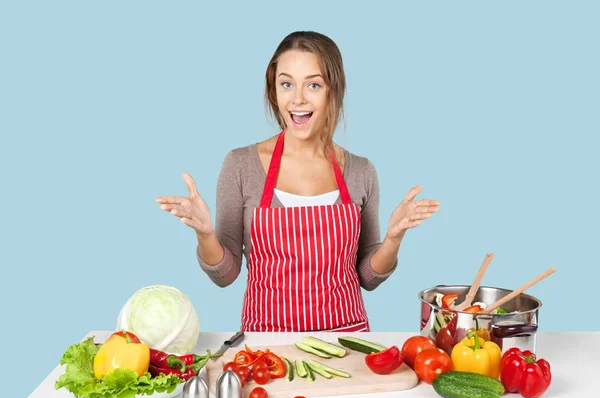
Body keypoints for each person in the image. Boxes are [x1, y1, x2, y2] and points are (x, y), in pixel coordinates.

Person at [156, 31, 439, 333]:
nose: (298, 98)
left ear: (333, 91)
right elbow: (225, 275)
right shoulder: (240, 165)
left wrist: (394, 239)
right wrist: (205, 234)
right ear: (273, 89)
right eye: (287, 84)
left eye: (313, 85)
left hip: (346, 343)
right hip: (266, 346)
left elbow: (368, 278)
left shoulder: (361, 171)